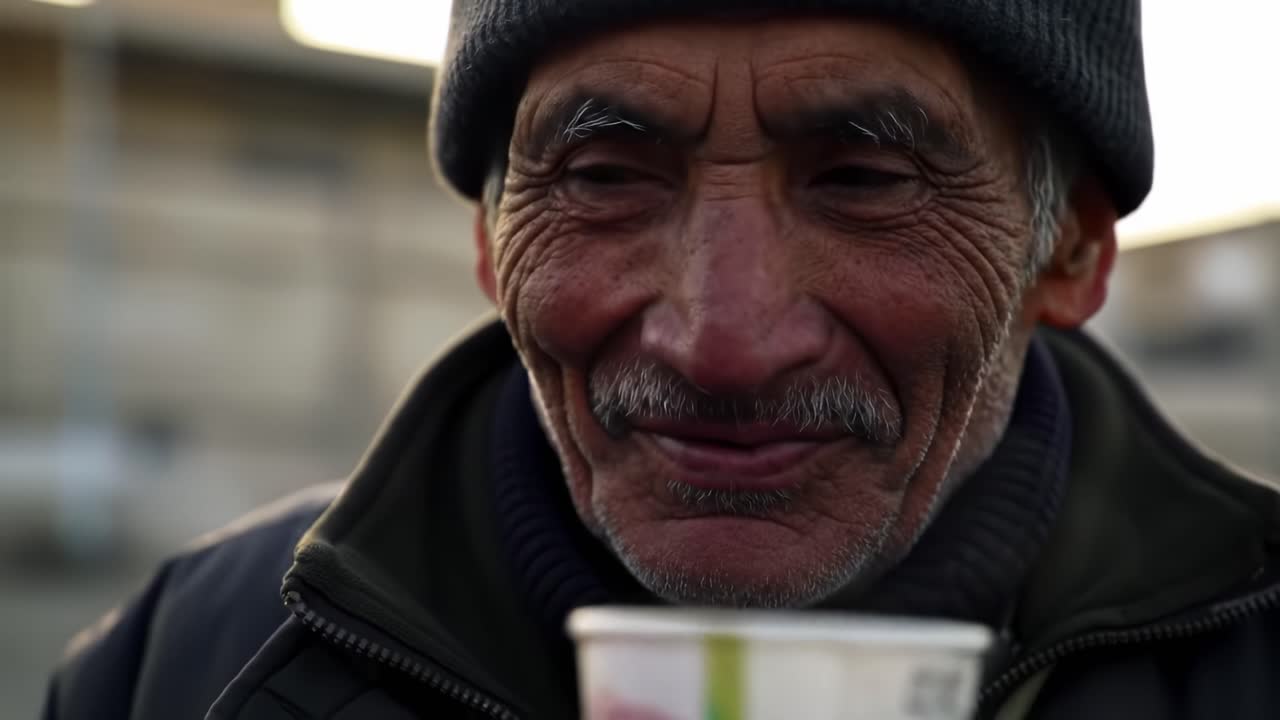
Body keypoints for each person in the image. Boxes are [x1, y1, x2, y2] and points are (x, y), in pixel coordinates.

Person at [42, 2, 1280, 719]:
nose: (720, 339)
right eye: (602, 177)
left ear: (1068, 247)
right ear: (490, 243)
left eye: (862, 179)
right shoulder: (182, 667)